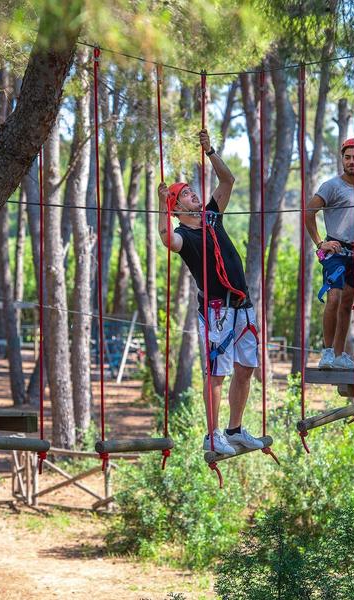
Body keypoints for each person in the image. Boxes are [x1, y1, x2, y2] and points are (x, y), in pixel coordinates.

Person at [157, 129, 263, 457]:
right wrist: (162, 205)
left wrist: (211, 151)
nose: (194, 195)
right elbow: (165, 239)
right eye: (187, 194)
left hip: (242, 304)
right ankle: (212, 434)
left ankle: (234, 429)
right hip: (218, 310)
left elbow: (228, 180)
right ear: (176, 207)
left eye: (192, 191)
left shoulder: (211, 217)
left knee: (246, 367)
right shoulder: (181, 235)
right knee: (217, 371)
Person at [305, 138, 354, 369]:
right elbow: (309, 212)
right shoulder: (331, 186)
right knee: (334, 298)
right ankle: (327, 353)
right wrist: (320, 243)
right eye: (347, 157)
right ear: (342, 159)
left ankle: (339, 354)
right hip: (335, 251)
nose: (351, 161)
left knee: (347, 303)